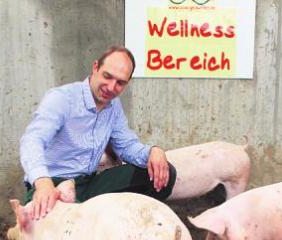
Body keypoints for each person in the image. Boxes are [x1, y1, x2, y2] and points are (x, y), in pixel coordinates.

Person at [19, 45, 176, 220]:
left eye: (120, 82)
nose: (111, 87)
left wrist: (153, 152)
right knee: (69, 230)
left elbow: (126, 146)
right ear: (95, 67)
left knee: (164, 173)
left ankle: (131, 222)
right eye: (107, 76)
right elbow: (32, 140)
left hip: (90, 183)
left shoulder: (113, 105)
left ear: (127, 83)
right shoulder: (62, 98)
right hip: (54, 184)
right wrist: (42, 182)